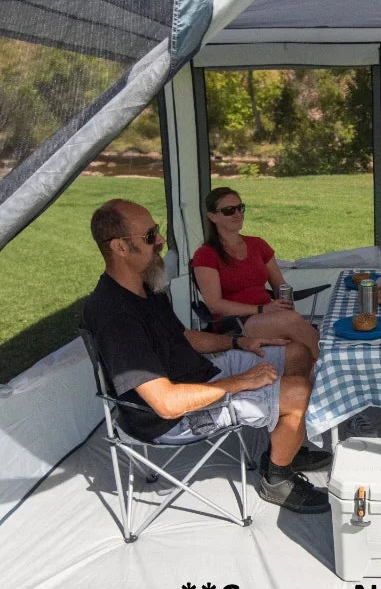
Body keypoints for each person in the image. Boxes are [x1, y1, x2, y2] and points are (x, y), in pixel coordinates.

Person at [82, 199, 330, 514]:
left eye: (157, 231)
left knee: (296, 352)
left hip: (198, 373)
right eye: (150, 236)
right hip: (169, 419)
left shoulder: (145, 286)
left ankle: (285, 448)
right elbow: (166, 404)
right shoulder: (114, 315)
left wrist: (239, 341)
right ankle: (277, 479)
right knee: (299, 392)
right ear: (119, 247)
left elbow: (182, 338)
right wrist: (239, 382)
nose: (160, 241)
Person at [192, 187, 320, 360]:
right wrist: (262, 309)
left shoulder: (257, 244)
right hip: (235, 323)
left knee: (297, 340)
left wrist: (284, 298)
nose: (237, 214)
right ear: (212, 216)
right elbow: (215, 305)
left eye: (240, 208)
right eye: (229, 210)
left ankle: (314, 372)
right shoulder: (206, 254)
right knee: (292, 322)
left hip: (268, 314)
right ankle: (330, 367)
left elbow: (279, 284)